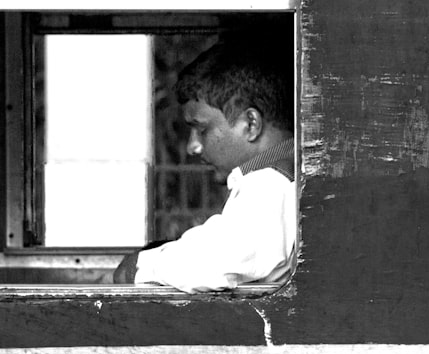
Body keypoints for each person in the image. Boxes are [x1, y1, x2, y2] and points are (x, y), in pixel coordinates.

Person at [113, 37, 295, 292]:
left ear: (251, 124)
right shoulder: (288, 174)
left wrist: (139, 267)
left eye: (202, 129)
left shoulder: (271, 183)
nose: (193, 146)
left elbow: (219, 261)